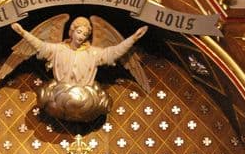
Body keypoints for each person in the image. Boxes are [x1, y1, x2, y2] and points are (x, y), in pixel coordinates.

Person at [11, 16, 147, 122]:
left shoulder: (93, 53)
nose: (81, 37)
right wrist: (23, 33)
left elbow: (114, 52)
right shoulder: (58, 49)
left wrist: (133, 38)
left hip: (85, 99)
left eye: (85, 34)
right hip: (59, 96)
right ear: (72, 32)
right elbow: (40, 46)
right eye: (79, 32)